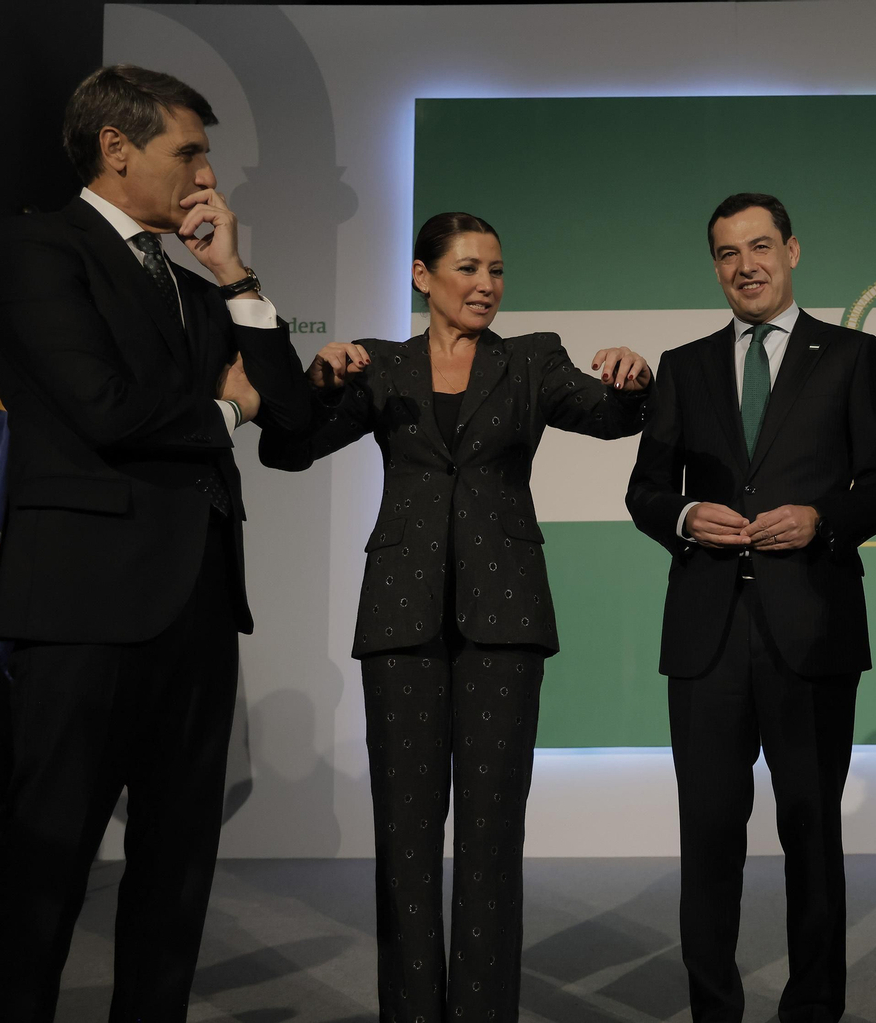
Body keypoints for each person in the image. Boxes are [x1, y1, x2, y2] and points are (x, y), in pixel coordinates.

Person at [0, 65, 310, 1022]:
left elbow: (290, 416)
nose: (206, 176)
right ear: (117, 148)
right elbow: (103, 406)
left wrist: (235, 277)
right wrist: (223, 406)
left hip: (195, 611)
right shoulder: (36, 246)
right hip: (84, 613)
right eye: (188, 151)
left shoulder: (196, 289)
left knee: (177, 872)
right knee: (46, 865)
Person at [257, 211, 650, 1022]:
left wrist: (631, 377)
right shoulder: (380, 363)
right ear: (421, 276)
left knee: (491, 834)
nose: (486, 285)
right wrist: (317, 381)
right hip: (400, 615)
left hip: (504, 615)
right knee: (404, 838)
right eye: (468, 268)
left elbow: (611, 417)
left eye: (497, 270)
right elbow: (288, 448)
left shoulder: (531, 358)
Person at [625, 193, 876, 1023]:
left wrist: (823, 519)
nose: (743, 266)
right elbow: (645, 489)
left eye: (758, 247)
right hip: (706, 638)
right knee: (708, 839)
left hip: (811, 628)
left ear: (792, 250)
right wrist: (681, 516)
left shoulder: (852, 355)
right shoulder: (685, 364)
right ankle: (715, 1009)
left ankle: (812, 1011)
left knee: (811, 837)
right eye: (725, 253)